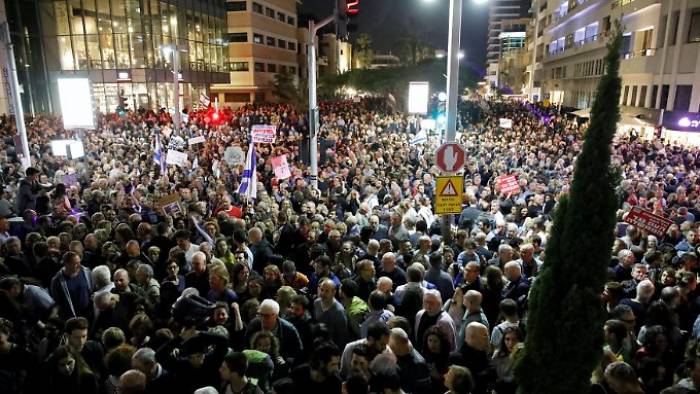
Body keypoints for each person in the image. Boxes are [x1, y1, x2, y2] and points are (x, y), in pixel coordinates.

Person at [245, 299, 303, 363]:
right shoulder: (254, 324)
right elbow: (245, 344)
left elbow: (298, 353)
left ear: (275, 315)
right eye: (260, 315)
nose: (263, 319)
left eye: (267, 316)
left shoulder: (289, 330)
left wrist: (286, 361)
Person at [50, 251, 93, 319]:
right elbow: (57, 302)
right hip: (70, 317)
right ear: (66, 264)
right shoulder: (57, 281)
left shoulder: (86, 272)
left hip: (88, 314)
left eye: (79, 262)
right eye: (76, 263)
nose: (79, 265)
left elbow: (92, 290)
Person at [314, 278, 350, 348]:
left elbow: (342, 337)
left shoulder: (339, 312)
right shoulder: (316, 303)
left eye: (327, 291)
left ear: (334, 292)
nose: (323, 293)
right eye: (322, 290)